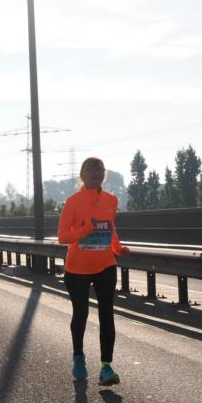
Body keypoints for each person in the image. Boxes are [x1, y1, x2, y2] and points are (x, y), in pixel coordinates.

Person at [57, 157, 130, 385]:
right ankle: (78, 357)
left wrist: (118, 247)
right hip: (77, 268)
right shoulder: (72, 202)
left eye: (99, 169)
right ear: (82, 174)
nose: (95, 172)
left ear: (104, 174)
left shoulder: (111, 199)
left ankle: (106, 367)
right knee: (81, 314)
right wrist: (84, 230)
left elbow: (110, 227)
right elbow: (62, 237)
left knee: (107, 314)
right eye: (91, 169)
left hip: (105, 265)